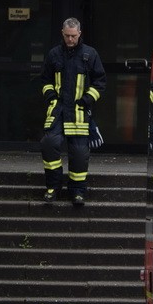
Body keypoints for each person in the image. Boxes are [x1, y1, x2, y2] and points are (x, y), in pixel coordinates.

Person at [39, 17, 106, 206]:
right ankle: (53, 187)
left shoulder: (90, 54)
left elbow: (100, 82)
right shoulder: (54, 54)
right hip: (58, 109)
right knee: (49, 143)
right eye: (67, 36)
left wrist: (88, 99)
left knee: (79, 153)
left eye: (73, 36)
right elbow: (45, 80)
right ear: (62, 33)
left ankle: (77, 192)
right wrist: (51, 95)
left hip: (79, 111)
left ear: (79, 34)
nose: (70, 39)